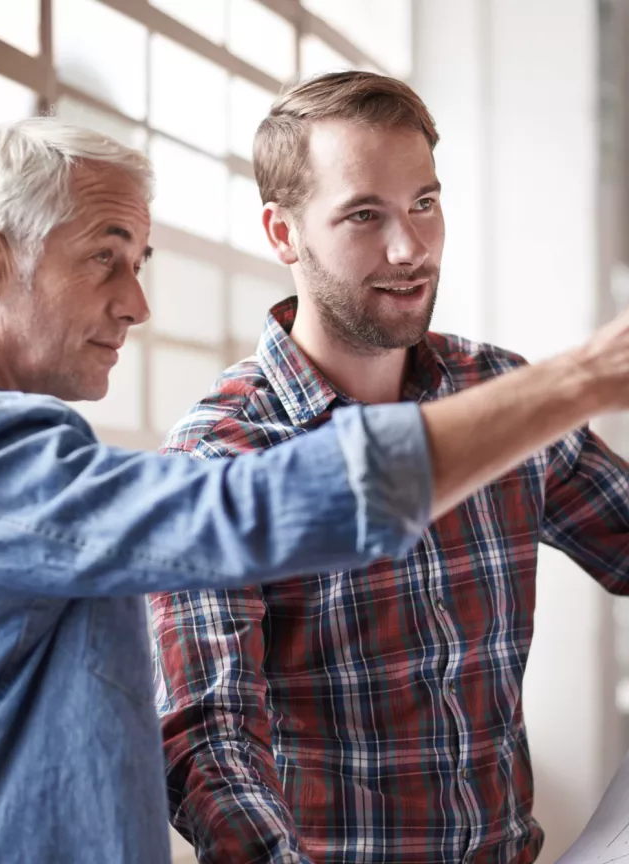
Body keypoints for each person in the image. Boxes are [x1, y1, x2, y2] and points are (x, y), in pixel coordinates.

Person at [151, 72, 629, 864]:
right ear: (283, 234)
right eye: (364, 215)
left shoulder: (499, 392)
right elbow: (207, 741)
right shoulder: (225, 450)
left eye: (424, 205)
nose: (409, 250)